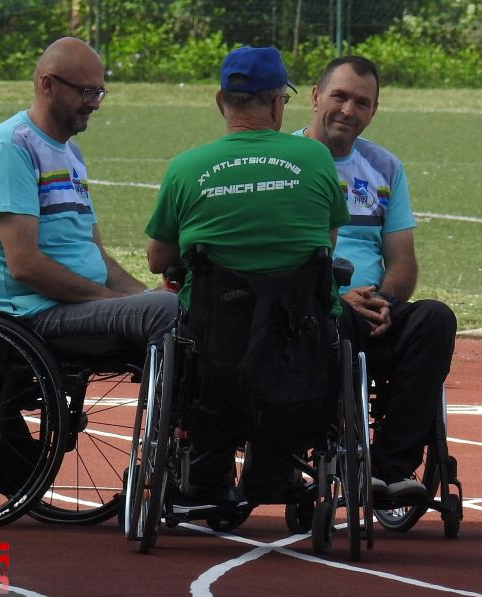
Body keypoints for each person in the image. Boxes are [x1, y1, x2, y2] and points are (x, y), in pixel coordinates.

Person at [145, 46, 349, 507]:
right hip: (296, 338)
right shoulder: (316, 158)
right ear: (278, 103)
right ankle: (274, 471)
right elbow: (326, 243)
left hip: (214, 337)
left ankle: (205, 475)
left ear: (222, 101)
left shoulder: (185, 168)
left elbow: (158, 259)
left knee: (202, 345)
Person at [295, 55, 456, 499]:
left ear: (374, 111)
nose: (349, 110)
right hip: (308, 312)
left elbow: (402, 260)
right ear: (315, 96)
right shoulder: (286, 162)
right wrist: (336, 300)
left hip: (373, 310)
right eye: (339, 96)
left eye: (362, 102)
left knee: (435, 319)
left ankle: (392, 467)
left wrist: (383, 302)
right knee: (337, 321)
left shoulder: (384, 167)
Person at [0, 37, 175, 367]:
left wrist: (142, 295)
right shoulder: (10, 148)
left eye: (99, 92)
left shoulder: (70, 153)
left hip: (75, 306)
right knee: (167, 311)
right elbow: (24, 265)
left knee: (178, 302)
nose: (95, 104)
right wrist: (111, 300)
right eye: (87, 92)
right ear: (48, 85)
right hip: (32, 314)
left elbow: (95, 253)